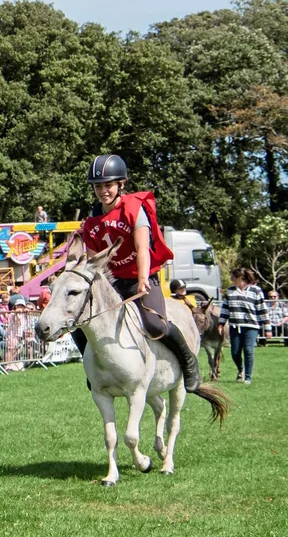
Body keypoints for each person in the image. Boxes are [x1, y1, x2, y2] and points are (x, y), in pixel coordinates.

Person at [72, 154, 200, 392]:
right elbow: (94, 262)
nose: (103, 191)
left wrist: (142, 280)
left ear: (121, 184)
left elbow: (142, 248)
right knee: (79, 327)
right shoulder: (91, 221)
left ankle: (189, 362)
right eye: (98, 186)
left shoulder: (134, 208)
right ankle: (93, 370)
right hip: (113, 283)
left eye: (108, 185)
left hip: (140, 277)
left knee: (155, 325)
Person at [217, 268, 271, 385]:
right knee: (235, 352)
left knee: (248, 350)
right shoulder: (230, 290)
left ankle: (248, 377)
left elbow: (262, 309)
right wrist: (221, 323)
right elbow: (225, 308)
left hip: (251, 326)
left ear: (241, 278)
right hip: (235, 326)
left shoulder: (256, 290)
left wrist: (267, 328)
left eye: (233, 277)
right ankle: (241, 369)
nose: (231, 279)